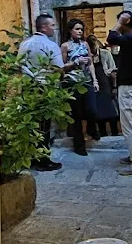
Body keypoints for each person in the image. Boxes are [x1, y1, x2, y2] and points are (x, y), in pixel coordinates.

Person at [19, 13, 84, 171]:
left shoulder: (24, 44)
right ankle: (43, 160)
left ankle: (31, 157)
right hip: (45, 88)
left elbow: (19, 65)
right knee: (44, 125)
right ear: (44, 27)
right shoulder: (51, 45)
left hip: (29, 87)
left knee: (31, 123)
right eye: (52, 26)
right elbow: (58, 68)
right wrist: (73, 65)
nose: (54, 29)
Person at [107, 10, 132, 175]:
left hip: (129, 88)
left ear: (127, 22)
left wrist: (120, 21)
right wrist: (119, 69)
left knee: (129, 125)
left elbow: (111, 39)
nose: (119, 27)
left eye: (122, 23)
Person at [61, 18, 100, 155]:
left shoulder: (85, 44)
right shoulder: (65, 46)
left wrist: (95, 80)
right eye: (77, 29)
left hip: (86, 81)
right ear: (70, 30)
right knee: (76, 115)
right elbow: (62, 67)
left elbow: (90, 63)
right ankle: (79, 146)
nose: (80, 31)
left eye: (81, 29)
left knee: (92, 110)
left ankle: (91, 129)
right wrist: (75, 62)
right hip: (72, 83)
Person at [89, 34, 120, 137]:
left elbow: (113, 70)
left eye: (94, 46)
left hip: (106, 84)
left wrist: (114, 87)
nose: (93, 49)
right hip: (95, 85)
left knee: (111, 110)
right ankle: (103, 134)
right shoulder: (87, 56)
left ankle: (114, 133)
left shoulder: (105, 54)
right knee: (98, 111)